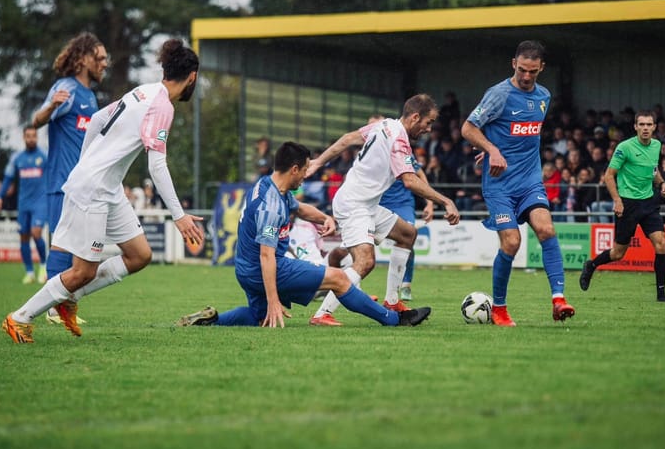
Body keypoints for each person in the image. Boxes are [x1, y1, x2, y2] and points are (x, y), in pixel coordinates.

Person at [2, 38, 205, 344]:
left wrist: (88, 163)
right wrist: (179, 216)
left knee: (139, 255)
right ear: (192, 77)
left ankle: (68, 299)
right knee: (82, 271)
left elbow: (97, 120)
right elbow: (157, 165)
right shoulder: (162, 105)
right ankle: (20, 318)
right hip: (95, 188)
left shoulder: (144, 90)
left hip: (104, 187)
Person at [175, 142, 432, 328]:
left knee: (256, 317)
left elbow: (299, 208)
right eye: (306, 169)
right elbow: (267, 255)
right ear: (295, 169)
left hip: (245, 269)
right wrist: (275, 300)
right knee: (340, 279)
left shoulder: (269, 185)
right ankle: (394, 319)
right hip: (265, 267)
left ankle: (212, 321)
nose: (308, 174)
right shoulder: (271, 206)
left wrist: (324, 217)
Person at [308, 94, 460, 326]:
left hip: (365, 204)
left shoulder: (384, 124)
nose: (429, 129)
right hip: (354, 205)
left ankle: (392, 301)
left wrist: (319, 161)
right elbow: (409, 181)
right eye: (428, 123)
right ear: (415, 117)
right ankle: (322, 313)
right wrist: (445, 201)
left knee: (408, 234)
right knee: (365, 262)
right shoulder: (399, 139)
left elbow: (348, 139)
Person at [461, 40, 575, 326]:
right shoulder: (498, 94)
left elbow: (523, 135)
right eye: (522, 70)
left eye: (533, 72)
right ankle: (499, 309)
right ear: (514, 63)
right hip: (499, 185)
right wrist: (492, 150)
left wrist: (493, 146)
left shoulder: (544, 96)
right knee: (512, 242)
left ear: (541, 69)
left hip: (529, 181)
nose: (526, 77)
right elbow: (468, 127)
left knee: (546, 229)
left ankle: (558, 300)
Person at [32, 32, 108, 327]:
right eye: (99, 57)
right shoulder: (67, 88)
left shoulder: (90, 95)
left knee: (77, 245)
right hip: (62, 182)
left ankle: (62, 304)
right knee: (62, 243)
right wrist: (51, 107)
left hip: (83, 185)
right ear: (83, 59)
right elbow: (36, 120)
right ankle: (52, 306)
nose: (104, 63)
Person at [579, 111, 665, 302]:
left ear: (654, 127)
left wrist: (662, 183)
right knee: (618, 253)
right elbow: (608, 175)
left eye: (649, 124)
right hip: (628, 204)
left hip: (649, 202)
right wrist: (618, 201)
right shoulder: (625, 147)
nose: (646, 128)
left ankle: (661, 294)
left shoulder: (656, 145)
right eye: (642, 124)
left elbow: (653, 170)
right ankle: (591, 265)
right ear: (635, 127)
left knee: (661, 243)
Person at [370, 114, 435, 303]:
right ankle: (348, 287)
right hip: (378, 202)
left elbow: (419, 173)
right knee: (363, 245)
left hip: (402, 202)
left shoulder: (399, 146)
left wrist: (429, 202)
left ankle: (404, 286)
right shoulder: (368, 152)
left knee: (409, 234)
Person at [0, 125, 48, 284]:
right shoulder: (17, 158)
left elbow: (54, 173)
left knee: (36, 233)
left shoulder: (44, 155)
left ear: (37, 137)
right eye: (28, 136)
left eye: (34, 136)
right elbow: (8, 179)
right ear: (24, 138)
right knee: (24, 236)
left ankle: (43, 267)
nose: (31, 138)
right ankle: (30, 272)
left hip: (40, 202)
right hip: (23, 203)